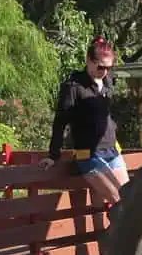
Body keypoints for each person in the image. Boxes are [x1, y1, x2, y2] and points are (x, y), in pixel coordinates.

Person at [42, 37, 129, 205]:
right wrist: (53, 155)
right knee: (118, 201)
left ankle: (116, 230)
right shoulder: (73, 87)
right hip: (88, 154)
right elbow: (60, 121)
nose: (104, 71)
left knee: (130, 198)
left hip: (112, 151)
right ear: (89, 61)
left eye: (109, 68)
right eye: (100, 66)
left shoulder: (107, 83)